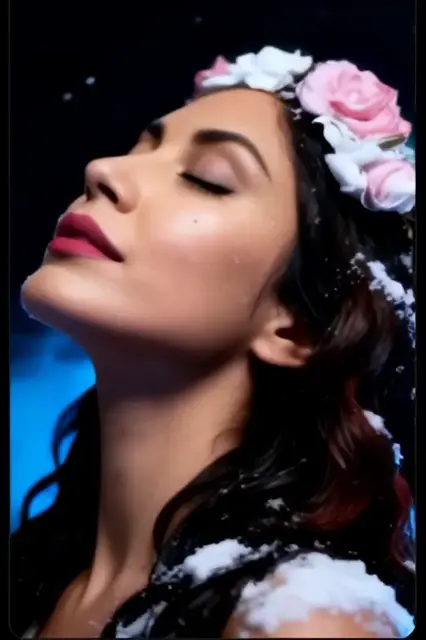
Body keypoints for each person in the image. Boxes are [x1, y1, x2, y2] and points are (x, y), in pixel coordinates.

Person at [11, 46, 415, 638]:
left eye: (207, 179)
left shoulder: (301, 621)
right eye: (139, 149)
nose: (103, 169)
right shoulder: (36, 575)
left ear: (298, 327)